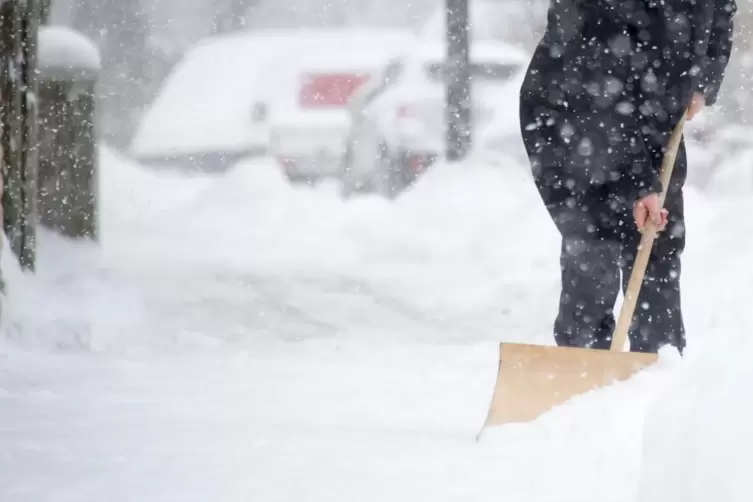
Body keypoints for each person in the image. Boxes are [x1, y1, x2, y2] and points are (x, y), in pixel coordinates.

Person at [519, 0, 736, 353]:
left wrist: (705, 77)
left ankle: (657, 366)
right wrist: (639, 184)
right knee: (596, 241)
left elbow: (722, 9)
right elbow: (598, 82)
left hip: (653, 106)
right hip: (572, 114)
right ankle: (582, 367)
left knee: (658, 239)